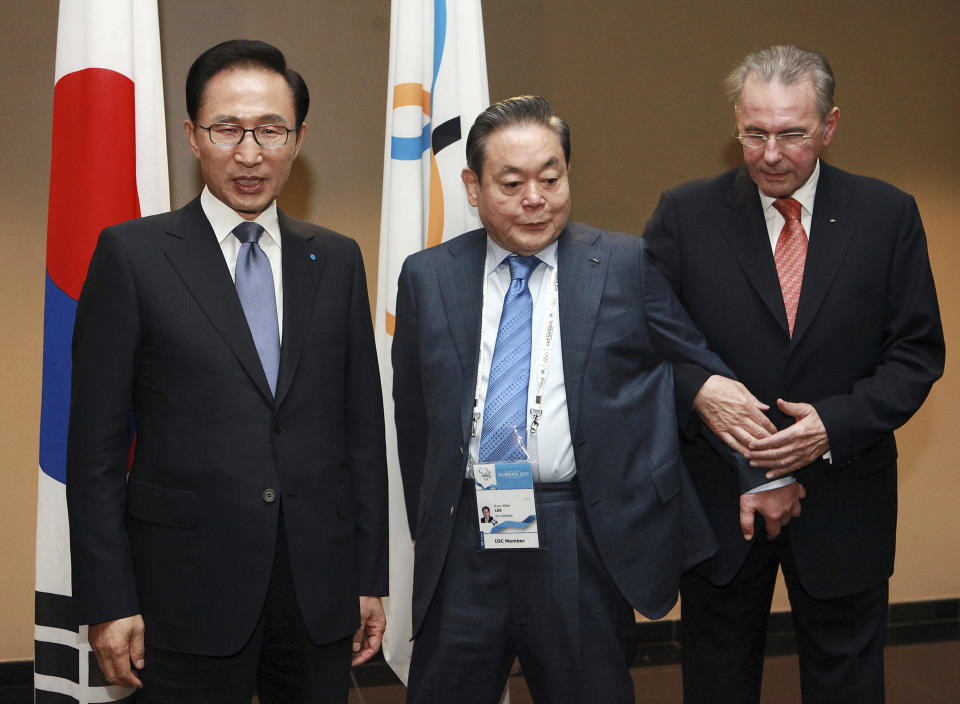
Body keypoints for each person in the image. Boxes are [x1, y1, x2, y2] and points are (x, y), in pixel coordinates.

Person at [66, 39, 388, 703]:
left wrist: (367, 574)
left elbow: (361, 435)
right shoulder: (133, 256)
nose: (250, 153)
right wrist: (108, 599)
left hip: (317, 590)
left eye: (270, 130)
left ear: (298, 137)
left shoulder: (336, 260)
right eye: (227, 129)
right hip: (181, 596)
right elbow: (94, 448)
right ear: (192, 135)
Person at [392, 95, 742, 704]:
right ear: (472, 188)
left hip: (577, 528)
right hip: (466, 532)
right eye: (512, 182)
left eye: (550, 178)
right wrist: (431, 517)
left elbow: (693, 364)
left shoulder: (623, 263)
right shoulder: (428, 277)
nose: (536, 198)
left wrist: (760, 471)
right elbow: (414, 414)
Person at [642, 45, 945, 703]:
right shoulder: (684, 216)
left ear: (830, 126)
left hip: (845, 501)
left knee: (848, 684)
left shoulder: (887, 215)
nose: (770, 154)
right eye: (754, 133)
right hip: (720, 502)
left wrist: (828, 427)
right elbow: (643, 342)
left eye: (792, 134)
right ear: (736, 123)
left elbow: (917, 354)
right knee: (716, 680)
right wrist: (698, 390)